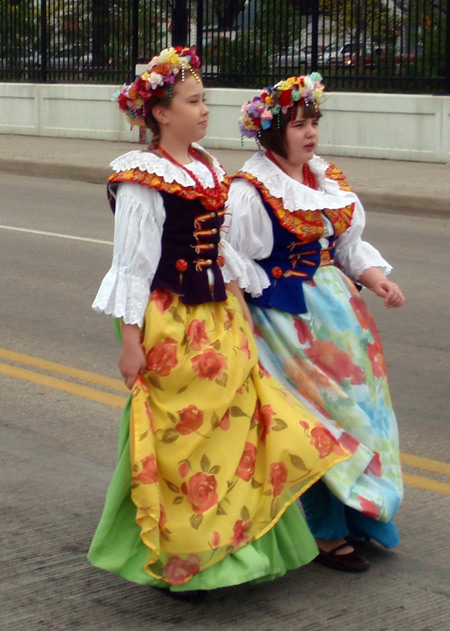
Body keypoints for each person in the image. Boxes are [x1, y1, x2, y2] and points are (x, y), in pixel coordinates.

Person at [87, 50, 368, 595]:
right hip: (171, 322)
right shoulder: (140, 177)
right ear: (162, 113)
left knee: (236, 435)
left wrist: (239, 307)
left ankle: (233, 545)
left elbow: (220, 253)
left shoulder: (208, 167)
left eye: (205, 101)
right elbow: (132, 266)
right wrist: (130, 342)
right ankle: (187, 553)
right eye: (194, 102)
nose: (204, 110)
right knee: (182, 439)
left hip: (220, 318)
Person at [222, 73, 405, 573]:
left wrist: (376, 279)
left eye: (313, 123)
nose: (309, 133)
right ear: (272, 132)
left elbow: (345, 247)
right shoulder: (251, 190)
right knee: (317, 423)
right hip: (287, 322)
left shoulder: (324, 179)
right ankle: (324, 531)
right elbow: (234, 260)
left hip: (343, 320)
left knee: (363, 418)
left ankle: (360, 514)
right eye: (299, 124)